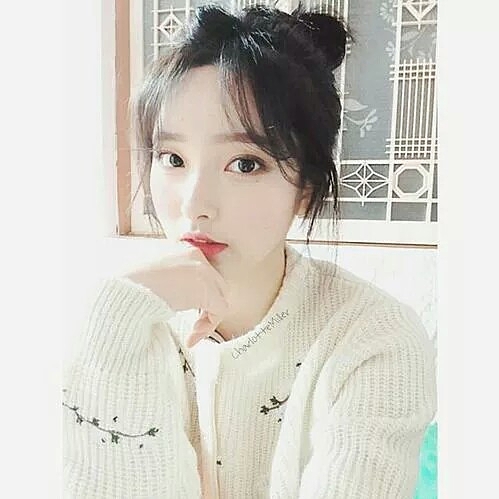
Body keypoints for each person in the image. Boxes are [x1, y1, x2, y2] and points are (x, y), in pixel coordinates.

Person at [62, 2, 437, 498]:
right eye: (172, 158)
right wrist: (116, 320)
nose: (194, 204)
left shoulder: (373, 339)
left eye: (244, 163)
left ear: (304, 188)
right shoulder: (123, 320)